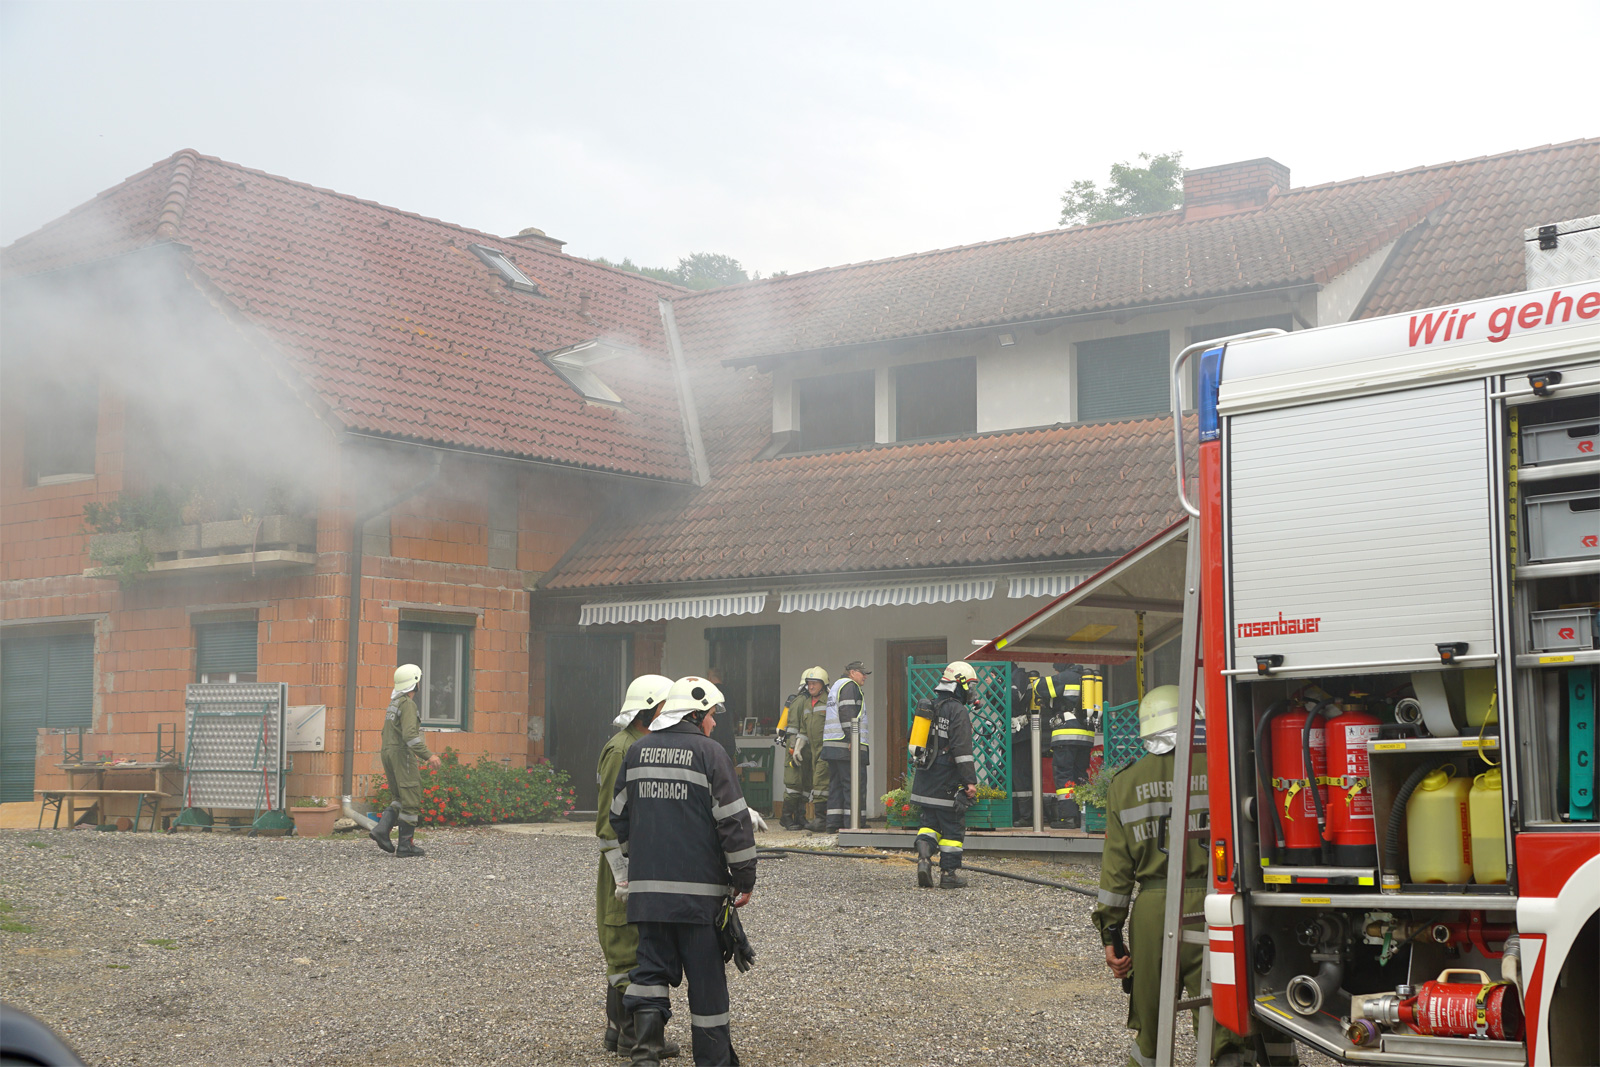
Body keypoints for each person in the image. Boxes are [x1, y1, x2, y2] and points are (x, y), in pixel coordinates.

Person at [1093, 685, 1250, 1067]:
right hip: (1219, 904)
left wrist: (1111, 935)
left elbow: (1116, 873)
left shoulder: (1125, 783)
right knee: (1223, 1028)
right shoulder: (1225, 770)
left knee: (1151, 1030)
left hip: (1154, 911)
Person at [613, 676, 757, 1066]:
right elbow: (733, 822)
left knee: (649, 976)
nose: (714, 722)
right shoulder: (711, 753)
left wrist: (641, 860)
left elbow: (618, 816)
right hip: (699, 901)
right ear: (694, 714)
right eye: (711, 714)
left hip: (648, 899)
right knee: (707, 985)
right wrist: (744, 878)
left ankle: (645, 1057)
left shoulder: (637, 751)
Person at [596, 674, 682, 1061]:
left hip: (635, 861)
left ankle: (618, 1031)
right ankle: (634, 1037)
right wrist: (622, 875)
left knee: (629, 943)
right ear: (650, 708)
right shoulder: (623, 750)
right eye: (667, 705)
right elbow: (608, 823)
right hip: (622, 864)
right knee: (626, 947)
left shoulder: (639, 744)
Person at [908, 661, 980, 889]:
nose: (972, 692)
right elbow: (962, 751)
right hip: (947, 779)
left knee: (928, 824)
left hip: (925, 777)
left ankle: (924, 860)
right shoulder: (958, 711)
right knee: (952, 827)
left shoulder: (930, 706)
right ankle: (948, 874)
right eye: (970, 686)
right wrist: (969, 781)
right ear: (960, 684)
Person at [370, 663, 440, 857]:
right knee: (411, 798)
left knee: (399, 798)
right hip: (401, 755)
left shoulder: (394, 703)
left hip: (388, 752)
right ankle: (405, 846)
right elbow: (410, 736)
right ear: (415, 683)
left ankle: (382, 830)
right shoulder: (408, 704)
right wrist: (429, 755)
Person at [819, 660, 871, 832]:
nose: (865, 676)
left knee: (837, 786)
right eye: (862, 673)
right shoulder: (850, 686)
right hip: (846, 748)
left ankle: (834, 823)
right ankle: (853, 824)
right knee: (853, 785)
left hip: (833, 748)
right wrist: (852, 739)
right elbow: (848, 713)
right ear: (852, 672)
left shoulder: (837, 686)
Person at [1045, 663, 1093, 829]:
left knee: (1064, 773)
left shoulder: (1064, 677)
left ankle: (1068, 817)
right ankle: (1081, 815)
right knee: (1080, 775)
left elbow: (1040, 687)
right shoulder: (1088, 679)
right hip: (1086, 736)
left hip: (1066, 735)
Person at [776, 670, 822, 830]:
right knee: (793, 784)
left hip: (808, 750)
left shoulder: (812, 701)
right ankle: (786, 817)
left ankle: (800, 816)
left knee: (806, 785)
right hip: (795, 749)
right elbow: (793, 728)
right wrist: (793, 748)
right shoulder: (799, 701)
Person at [799, 667, 832, 832]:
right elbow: (803, 729)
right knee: (817, 782)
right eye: (809, 683)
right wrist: (798, 747)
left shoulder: (829, 701)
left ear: (823, 685)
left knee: (820, 782)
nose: (811, 687)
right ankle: (823, 819)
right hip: (813, 750)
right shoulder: (806, 703)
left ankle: (821, 820)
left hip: (825, 749)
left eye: (814, 683)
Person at [1009, 666, 1040, 826]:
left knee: (1021, 775)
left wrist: (996, 685)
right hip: (1011, 736)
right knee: (1013, 776)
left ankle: (1027, 816)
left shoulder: (1018, 676)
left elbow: (1014, 699)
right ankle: (1015, 813)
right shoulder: (1011, 677)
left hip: (1020, 735)